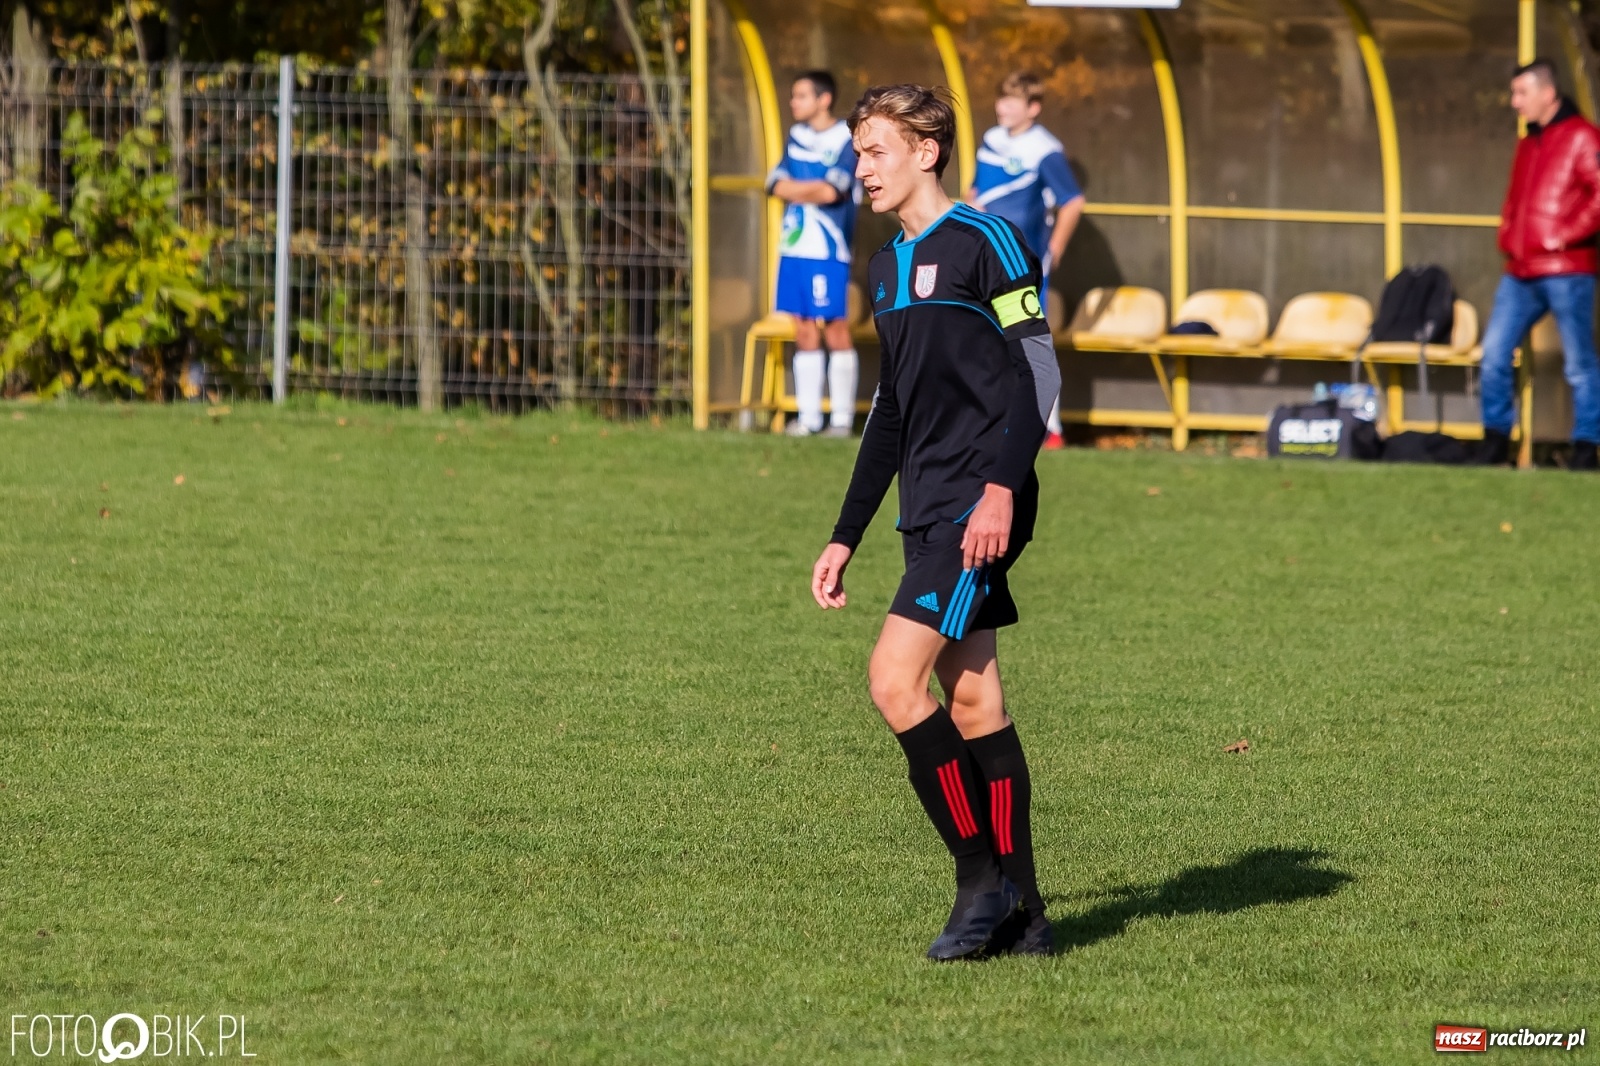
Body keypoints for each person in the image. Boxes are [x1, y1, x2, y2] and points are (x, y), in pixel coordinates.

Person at [810, 84, 1061, 959]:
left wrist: (1000, 489)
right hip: (926, 509)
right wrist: (845, 531)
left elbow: (1039, 378)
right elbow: (891, 413)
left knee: (892, 680)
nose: (860, 168)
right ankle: (1026, 910)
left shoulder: (988, 240)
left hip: (980, 504)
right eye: (856, 152)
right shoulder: (885, 265)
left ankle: (977, 887)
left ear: (926, 150)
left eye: (874, 150)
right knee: (975, 700)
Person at [1481, 58, 1600, 469]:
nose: (1515, 102)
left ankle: (1586, 448)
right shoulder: (1528, 141)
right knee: (1494, 354)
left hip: (1569, 271)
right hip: (1520, 271)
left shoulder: (1583, 137)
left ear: (1548, 93)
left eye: (1521, 93)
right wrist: (1507, 232)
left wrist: (1565, 234)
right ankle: (1495, 442)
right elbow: (1516, 200)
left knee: (1579, 363)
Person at [966, 71, 1084, 451]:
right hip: (986, 255)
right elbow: (975, 188)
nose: (1004, 107)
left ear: (1033, 108)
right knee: (985, 338)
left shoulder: (1045, 148)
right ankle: (993, 421)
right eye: (1002, 99)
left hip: (1024, 261)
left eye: (1014, 101)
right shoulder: (990, 139)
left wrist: (1055, 250)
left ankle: (1051, 428)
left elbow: (1072, 201)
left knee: (1031, 342)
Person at [766, 71, 862, 437]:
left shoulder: (845, 139)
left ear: (823, 100)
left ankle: (839, 419)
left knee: (835, 327)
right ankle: (808, 418)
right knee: (802, 328)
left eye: (801, 96)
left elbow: (832, 192)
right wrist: (808, 188)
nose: (794, 103)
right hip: (793, 247)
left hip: (829, 248)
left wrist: (795, 189)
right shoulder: (795, 136)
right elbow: (772, 183)